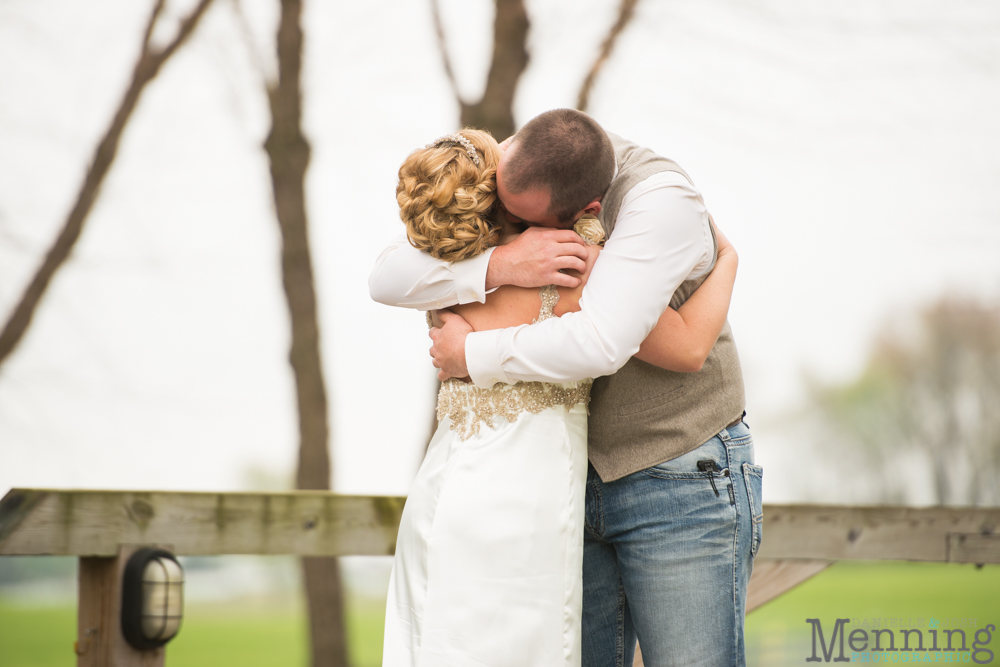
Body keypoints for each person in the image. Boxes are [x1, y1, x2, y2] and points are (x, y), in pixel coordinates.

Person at [371, 110, 761, 667]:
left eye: (516, 216)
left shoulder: (656, 204)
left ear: (585, 214)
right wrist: (502, 263)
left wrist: (470, 353)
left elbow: (635, 344)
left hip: (673, 469)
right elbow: (386, 274)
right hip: (559, 489)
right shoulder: (518, 168)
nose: (497, 215)